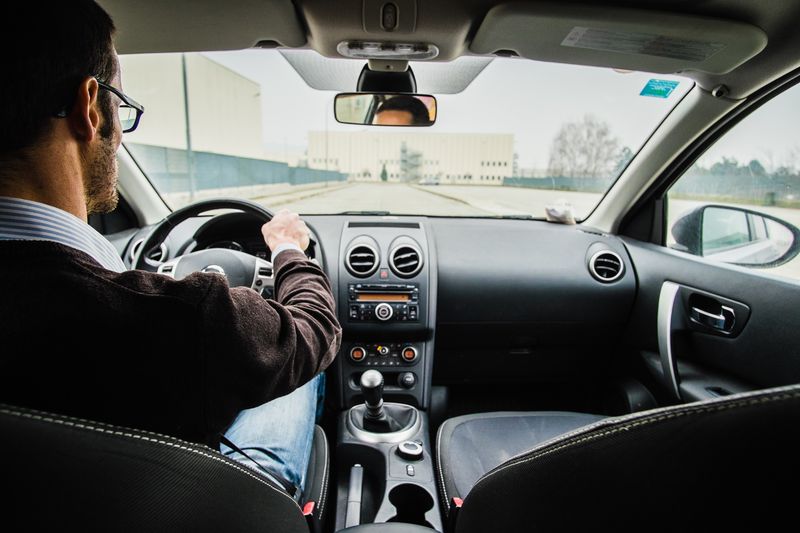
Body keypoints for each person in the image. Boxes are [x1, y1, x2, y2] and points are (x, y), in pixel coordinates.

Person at [0, 1, 341, 498]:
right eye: (119, 105)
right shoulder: (174, 321)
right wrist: (289, 252)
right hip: (185, 506)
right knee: (294, 373)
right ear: (88, 107)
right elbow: (314, 328)